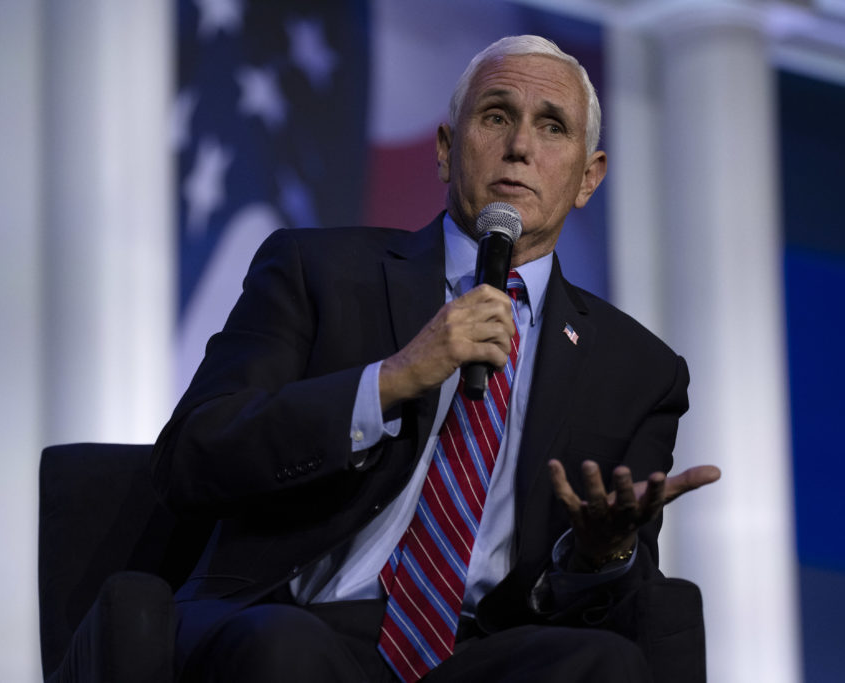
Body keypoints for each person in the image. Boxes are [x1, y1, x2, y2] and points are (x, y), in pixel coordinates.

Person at [152, 34, 720, 683]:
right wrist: (390, 381)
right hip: (307, 619)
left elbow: (618, 591)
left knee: (607, 665)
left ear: (588, 177)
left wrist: (601, 552)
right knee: (285, 649)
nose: (520, 147)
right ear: (448, 149)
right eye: (497, 116)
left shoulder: (639, 371)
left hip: (486, 651)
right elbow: (193, 453)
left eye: (551, 126)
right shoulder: (318, 272)